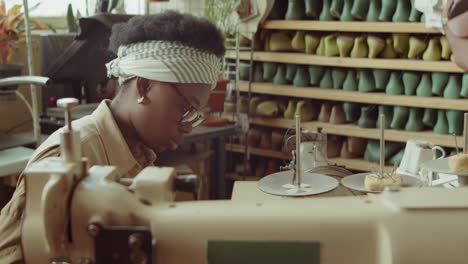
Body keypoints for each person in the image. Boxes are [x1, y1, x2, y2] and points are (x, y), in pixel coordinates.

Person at [0, 10, 225, 263]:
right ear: (144, 86)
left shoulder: (139, 153)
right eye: (186, 108)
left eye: (195, 115)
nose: (188, 127)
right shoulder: (68, 156)